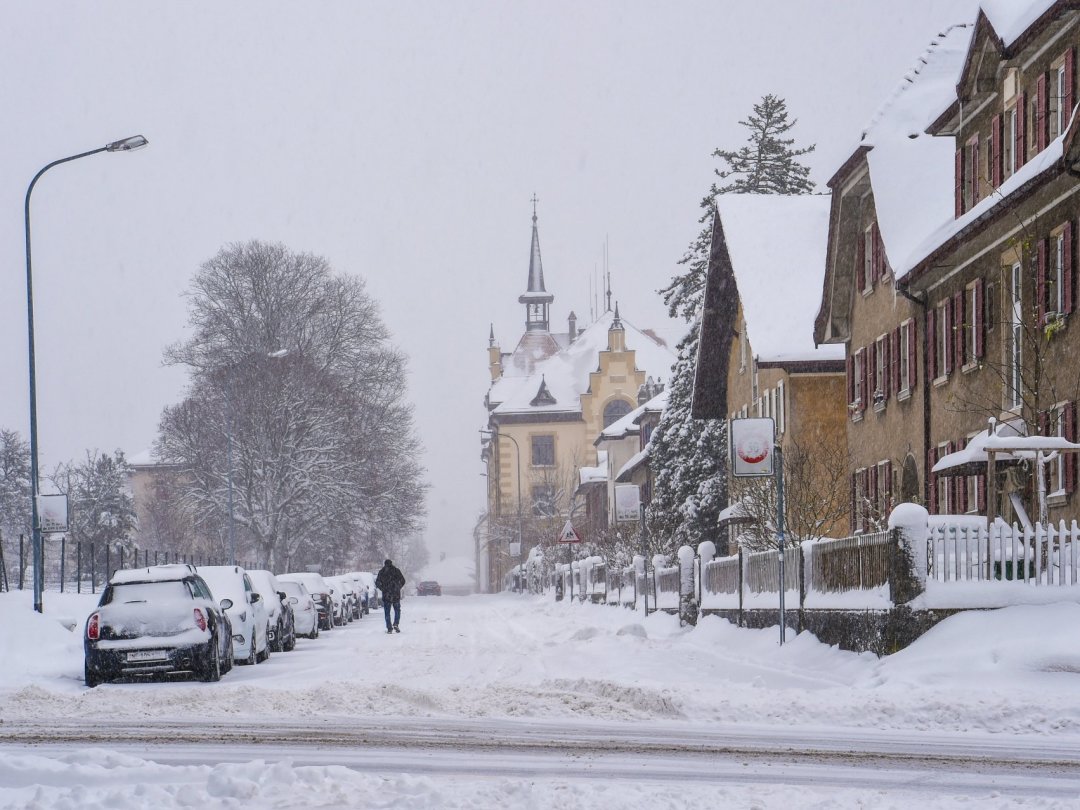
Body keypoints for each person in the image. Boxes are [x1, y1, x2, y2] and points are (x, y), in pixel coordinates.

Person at [375, 558, 406, 633]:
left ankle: (389, 628)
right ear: (391, 563)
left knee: (387, 612)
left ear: (384, 564)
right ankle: (396, 623)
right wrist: (398, 587)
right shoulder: (396, 570)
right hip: (396, 594)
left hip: (386, 595)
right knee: (397, 610)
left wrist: (383, 588)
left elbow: (377, 582)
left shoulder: (382, 572)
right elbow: (403, 580)